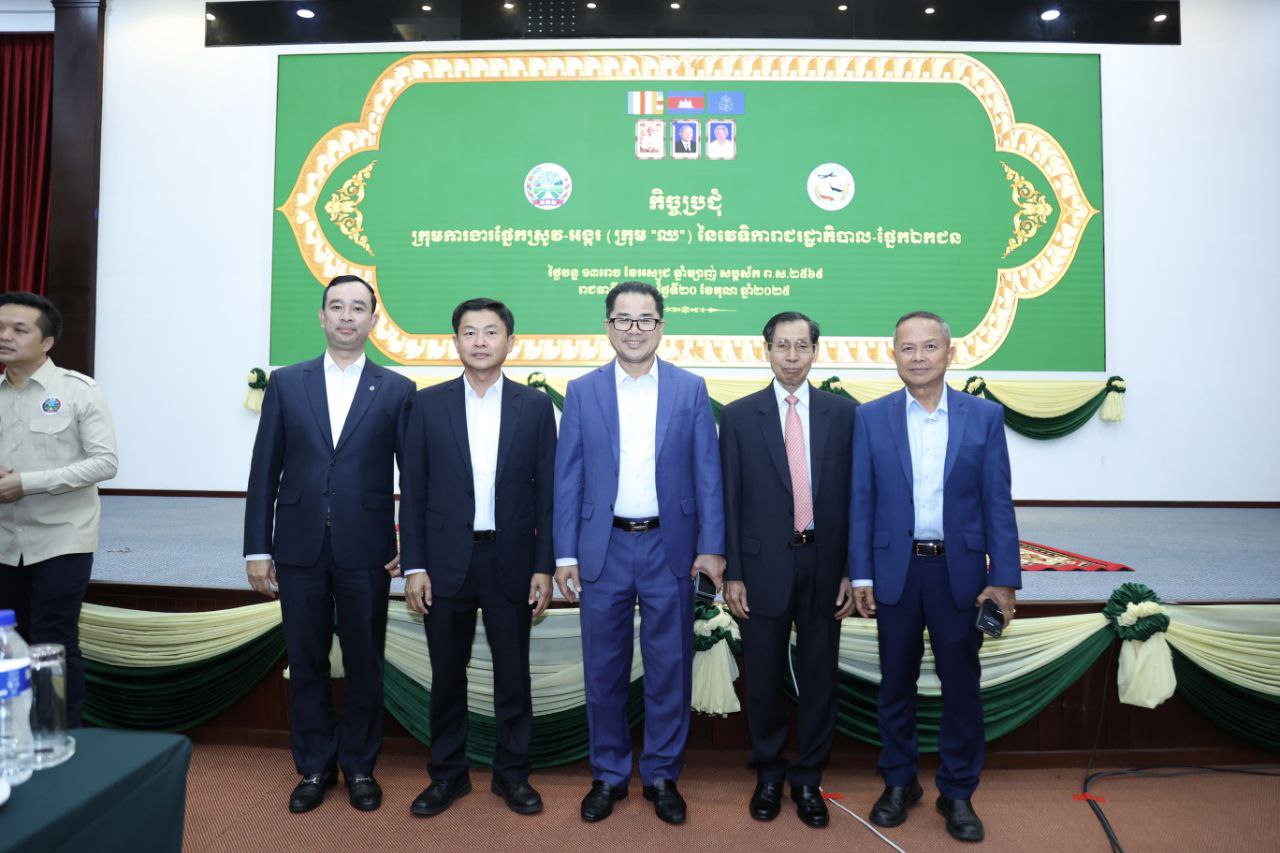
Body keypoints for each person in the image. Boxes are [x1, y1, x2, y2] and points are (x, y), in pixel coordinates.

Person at [553, 281, 724, 825]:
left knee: (669, 667)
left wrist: (712, 547)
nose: (634, 329)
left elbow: (708, 474)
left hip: (668, 547)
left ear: (661, 326)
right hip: (601, 548)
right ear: (607, 326)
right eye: (623, 319)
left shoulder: (689, 389)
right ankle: (607, 774)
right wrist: (564, 555)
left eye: (645, 319)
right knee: (602, 669)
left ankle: (662, 774)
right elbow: (568, 478)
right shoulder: (582, 391)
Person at [243, 274, 414, 814]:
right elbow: (264, 470)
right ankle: (315, 766)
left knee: (365, 663)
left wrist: (411, 542)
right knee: (306, 661)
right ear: (321, 316)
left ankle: (360, 766)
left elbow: (414, 477)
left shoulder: (397, 389)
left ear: (373, 320)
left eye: (358, 307)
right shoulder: (286, 383)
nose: (346, 315)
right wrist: (257, 548)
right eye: (336, 306)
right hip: (298, 548)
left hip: (367, 549)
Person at [849, 310, 1020, 843]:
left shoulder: (983, 417)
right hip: (895, 573)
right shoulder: (870, 418)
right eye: (907, 348)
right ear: (893, 356)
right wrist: (861, 575)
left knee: (961, 687)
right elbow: (861, 503)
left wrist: (1004, 579)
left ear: (949, 353)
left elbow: (997, 503)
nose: (918, 357)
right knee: (895, 685)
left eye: (929, 347)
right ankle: (899, 782)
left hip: (959, 575)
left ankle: (958, 791)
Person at [398, 298, 556, 818]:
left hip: (512, 561)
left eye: (491, 332)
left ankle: (513, 776)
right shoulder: (427, 404)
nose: (481, 341)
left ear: (511, 342)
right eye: (470, 332)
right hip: (445, 563)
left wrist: (543, 565)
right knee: (447, 675)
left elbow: (547, 494)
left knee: (513, 676)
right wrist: (415, 565)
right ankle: (447, 775)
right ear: (456, 342)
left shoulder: (535, 406)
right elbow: (414, 491)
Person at [719, 311, 856, 828]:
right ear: (767, 351)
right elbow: (729, 500)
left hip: (825, 564)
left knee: (820, 677)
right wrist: (733, 573)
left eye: (802, 346)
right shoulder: (738, 416)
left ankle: (808, 778)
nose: (792, 356)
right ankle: (769, 774)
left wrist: (853, 570)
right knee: (762, 679)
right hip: (761, 567)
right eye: (783, 346)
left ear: (816, 351)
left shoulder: (845, 415)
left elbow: (857, 500)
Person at [0, 292, 117, 729]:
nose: (5, 336)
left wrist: (27, 483)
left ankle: (61, 736)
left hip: (62, 538)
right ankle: (15, 734)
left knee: (53, 640)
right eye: (0, 328)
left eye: (19, 329)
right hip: (4, 541)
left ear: (46, 341)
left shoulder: (77, 391)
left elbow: (105, 463)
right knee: (8, 641)